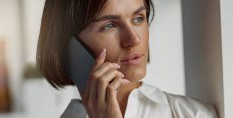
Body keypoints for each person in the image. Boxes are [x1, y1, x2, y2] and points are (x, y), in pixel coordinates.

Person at [36, 0, 217, 117]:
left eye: (138, 18)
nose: (134, 39)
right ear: (70, 47)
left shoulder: (193, 114)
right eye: (109, 25)